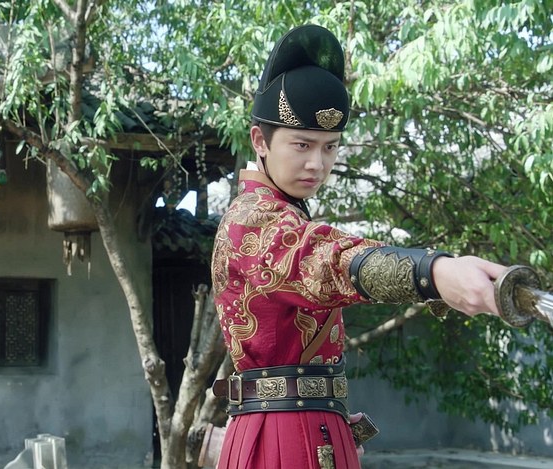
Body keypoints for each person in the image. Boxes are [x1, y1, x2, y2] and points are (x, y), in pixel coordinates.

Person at [209, 25, 506, 469]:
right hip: (279, 439)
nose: (317, 164)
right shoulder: (252, 219)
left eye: (330, 147)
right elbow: (326, 260)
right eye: (302, 145)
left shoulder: (285, 213)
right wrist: (433, 273)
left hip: (309, 427)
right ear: (259, 142)